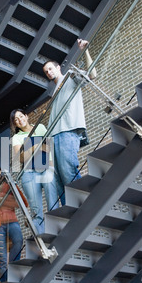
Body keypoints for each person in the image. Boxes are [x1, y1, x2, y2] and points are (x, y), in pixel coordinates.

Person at [43, 38, 97, 205]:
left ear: (58, 67)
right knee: (59, 178)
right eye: (46, 71)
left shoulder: (69, 77)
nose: (49, 72)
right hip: (54, 135)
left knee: (68, 170)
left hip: (68, 130)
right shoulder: (54, 91)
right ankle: (71, 210)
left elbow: (93, 74)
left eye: (50, 68)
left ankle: (85, 203)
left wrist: (85, 50)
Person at [10, 108, 58, 234]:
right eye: (16, 119)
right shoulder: (16, 137)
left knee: (52, 202)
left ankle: (56, 231)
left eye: (21, 116)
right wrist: (34, 147)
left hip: (46, 168)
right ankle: (41, 238)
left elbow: (50, 148)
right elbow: (20, 158)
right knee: (36, 209)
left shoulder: (40, 127)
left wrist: (52, 167)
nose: (20, 120)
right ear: (15, 124)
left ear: (26, 116)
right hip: (29, 173)